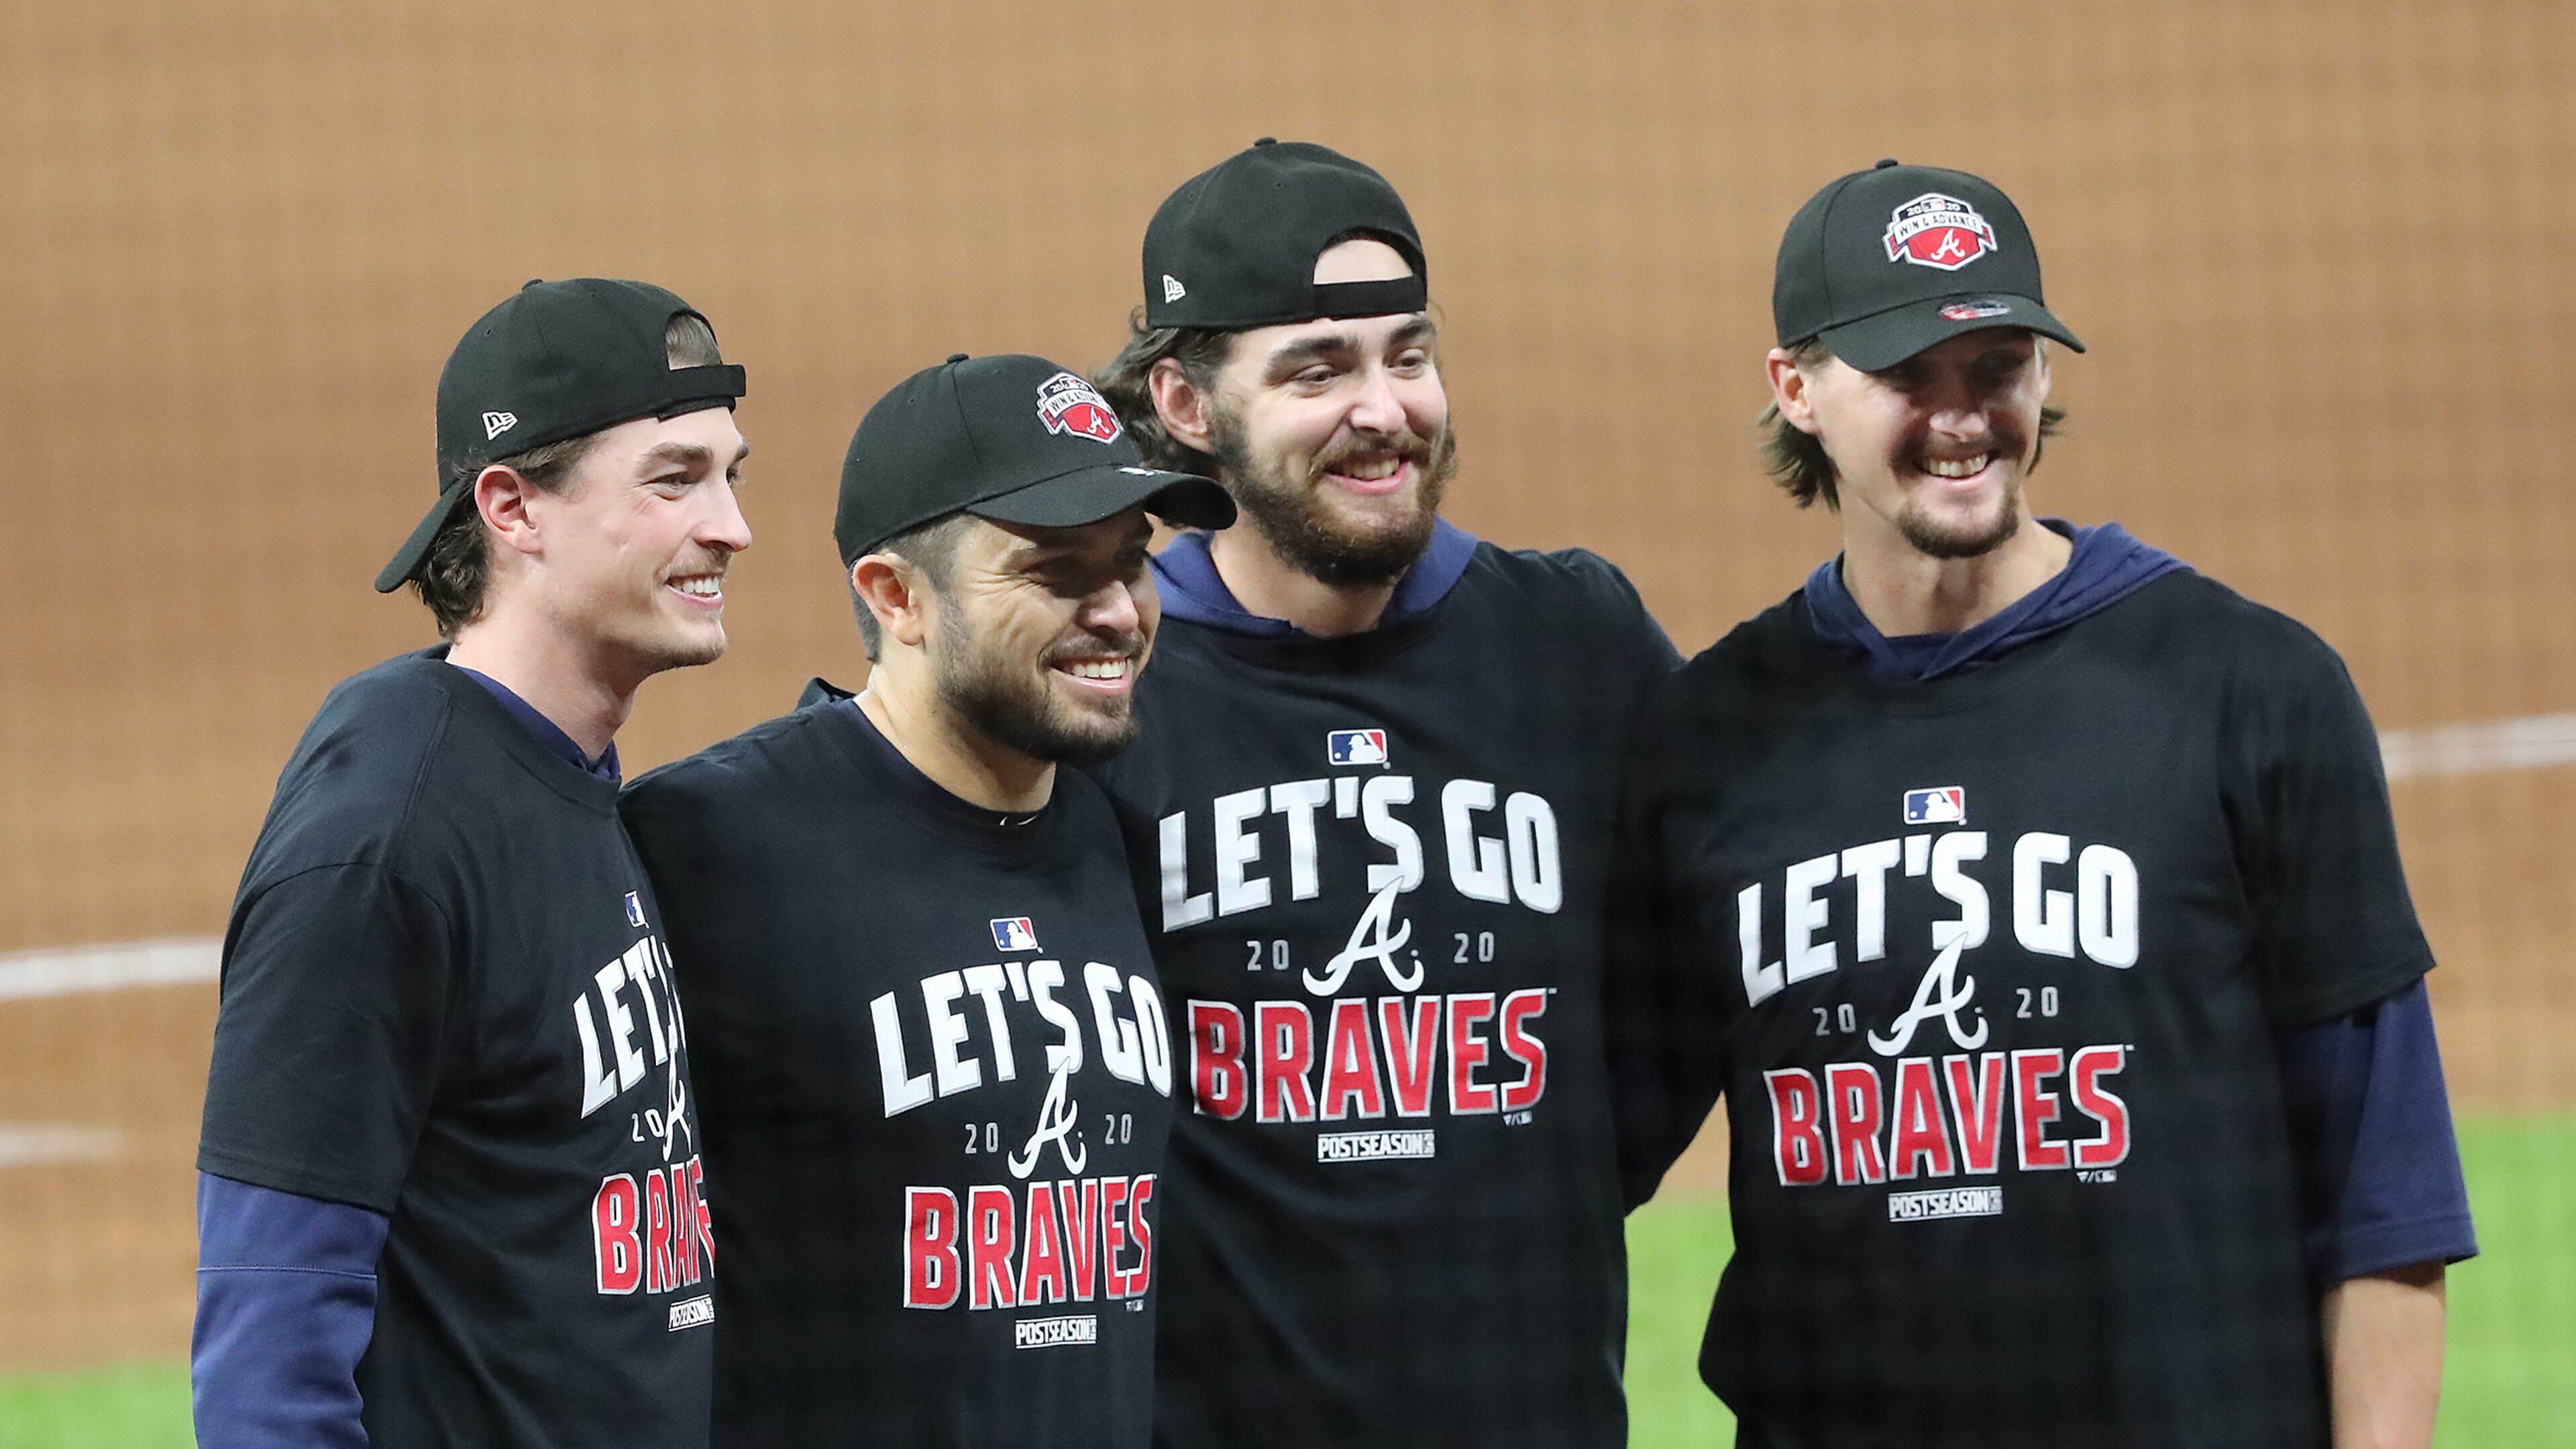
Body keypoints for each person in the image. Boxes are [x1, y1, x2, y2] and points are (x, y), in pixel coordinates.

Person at [1609, 160, 2477, 1448]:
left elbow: (2384, 1191)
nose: (1963, 417)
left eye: (1997, 365)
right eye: (1911, 375)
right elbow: (1573, 1151)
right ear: (1796, 389)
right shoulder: (1710, 739)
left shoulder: (2249, 690)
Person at [1085, 139, 1679, 1448]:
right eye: (1318, 369)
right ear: (1185, 403)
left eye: (1408, 355)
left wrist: (1533, 1166)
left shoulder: (1576, 644)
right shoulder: (1109, 688)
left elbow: (1681, 997)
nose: (1385, 408)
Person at [620, 352, 1234, 1447]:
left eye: (1129, 563)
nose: (1116, 612)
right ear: (898, 597)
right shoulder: (708, 846)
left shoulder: (1114, 829)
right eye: (1052, 573)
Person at [193, 278, 752, 1448]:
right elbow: (272, 1324)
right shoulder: (390, 839)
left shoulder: (563, 776)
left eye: (730, 475)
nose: (730, 527)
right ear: (512, 507)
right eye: (673, 480)